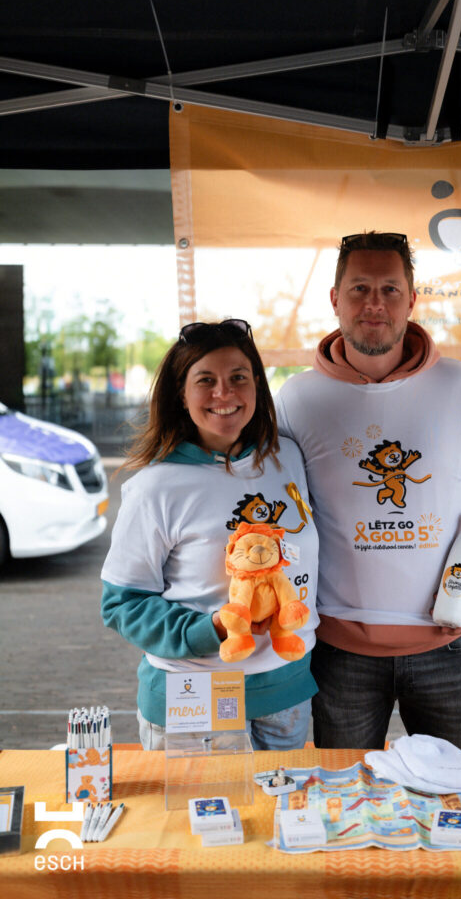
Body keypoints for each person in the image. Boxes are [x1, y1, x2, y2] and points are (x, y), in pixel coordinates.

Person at [275, 232, 461, 750]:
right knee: (344, 793)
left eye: (389, 289)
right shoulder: (297, 400)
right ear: (335, 298)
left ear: (411, 300)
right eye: (359, 288)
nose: (374, 303)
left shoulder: (459, 386)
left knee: (458, 792)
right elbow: (277, 511)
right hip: (339, 650)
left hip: (447, 642)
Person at [101, 319, 319, 750]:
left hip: (286, 694)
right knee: (206, 801)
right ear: (181, 395)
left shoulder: (287, 456)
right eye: (206, 380)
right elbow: (121, 605)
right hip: (195, 696)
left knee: (284, 799)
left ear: (257, 385)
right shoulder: (155, 487)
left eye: (238, 377)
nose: (225, 393)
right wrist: (212, 628)